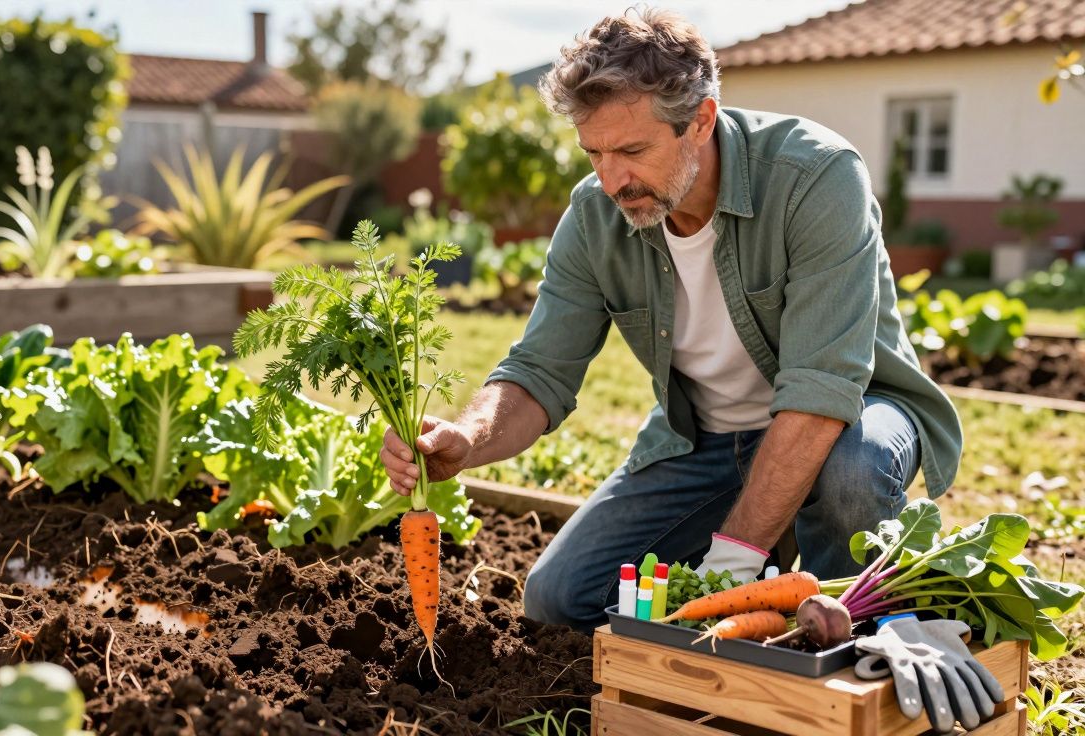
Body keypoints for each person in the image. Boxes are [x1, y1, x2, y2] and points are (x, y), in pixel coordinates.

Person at [378, 8, 962, 634]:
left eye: (632, 150)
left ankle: (851, 631)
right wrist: (468, 438)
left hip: (850, 420)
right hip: (706, 443)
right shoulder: (594, 215)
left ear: (700, 120)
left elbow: (823, 394)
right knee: (559, 600)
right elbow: (539, 371)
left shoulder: (816, 178)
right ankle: (778, 545)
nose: (611, 179)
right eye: (594, 152)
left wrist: (731, 564)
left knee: (851, 471)